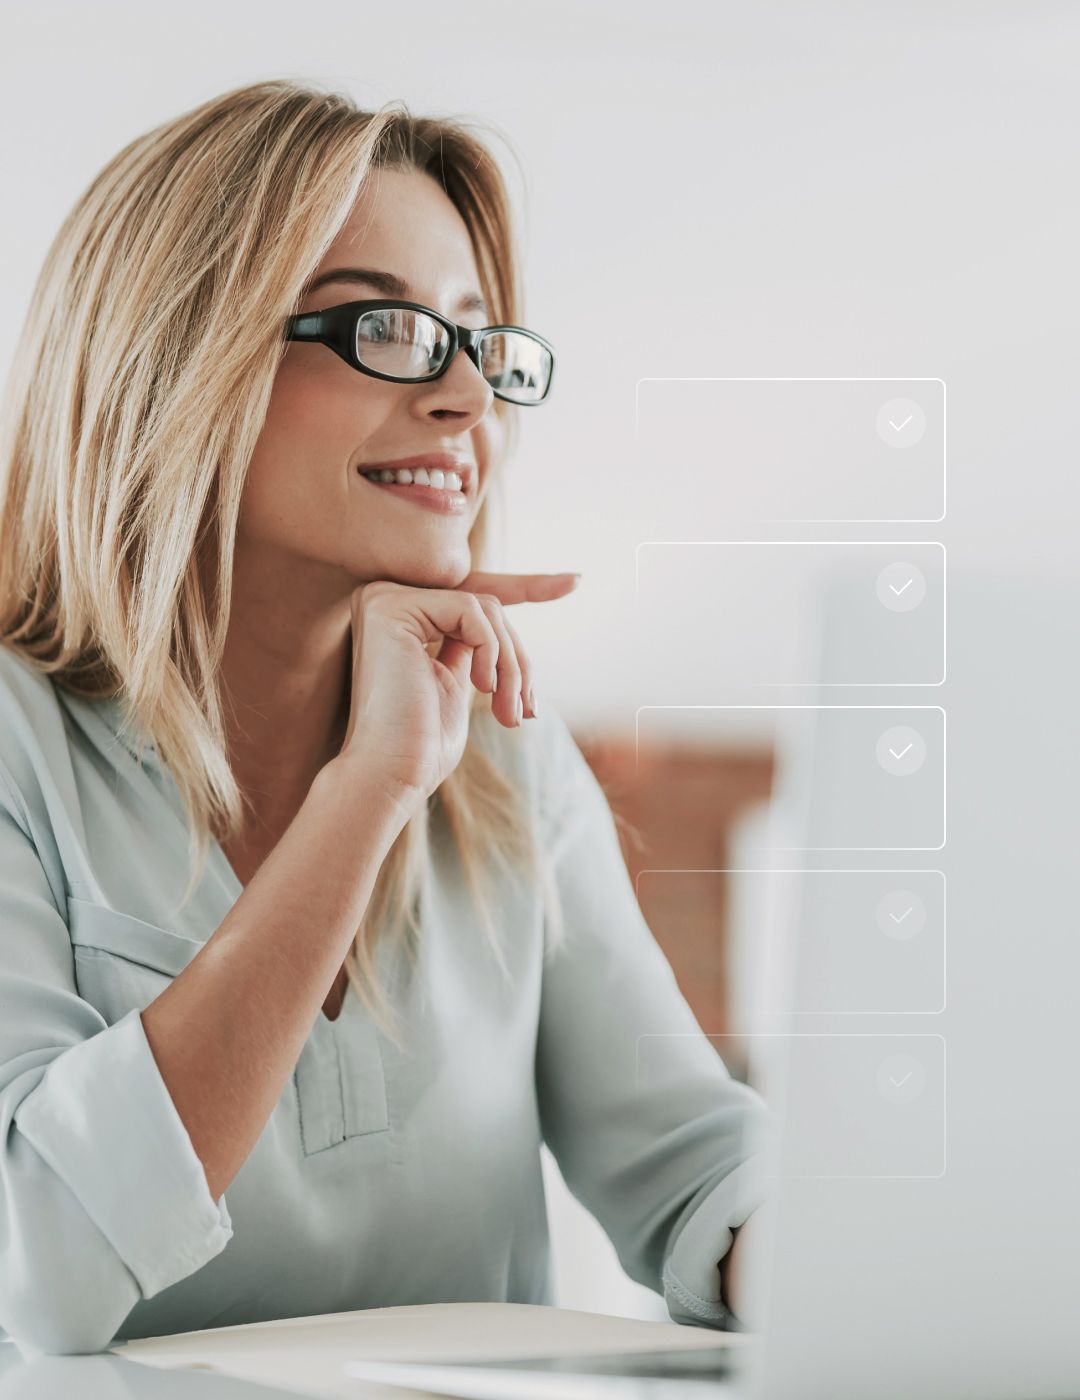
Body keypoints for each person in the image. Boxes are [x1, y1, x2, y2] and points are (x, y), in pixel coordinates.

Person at [0, 78, 770, 1357]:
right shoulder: (22, 746)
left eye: (477, 341)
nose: (468, 401)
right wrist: (368, 792)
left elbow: (693, 1165)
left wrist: (842, 1264)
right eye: (384, 328)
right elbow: (34, 1270)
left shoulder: (510, 752)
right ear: (179, 359)